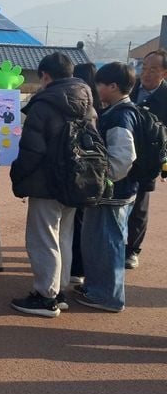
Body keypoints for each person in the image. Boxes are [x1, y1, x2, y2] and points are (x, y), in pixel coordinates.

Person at [9, 53, 96, 317]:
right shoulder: (88, 102)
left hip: (46, 183)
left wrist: (18, 176)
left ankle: (45, 297)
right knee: (64, 237)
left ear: (45, 75)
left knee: (43, 238)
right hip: (76, 181)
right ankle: (59, 291)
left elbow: (32, 150)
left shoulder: (44, 104)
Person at [76, 62, 139, 312]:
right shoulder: (123, 110)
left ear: (113, 86)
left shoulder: (120, 115)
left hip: (114, 193)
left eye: (101, 85)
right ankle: (98, 288)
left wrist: (103, 181)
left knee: (108, 243)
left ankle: (108, 296)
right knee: (102, 241)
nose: (98, 89)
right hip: (121, 191)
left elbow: (124, 155)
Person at [125, 49, 167, 269]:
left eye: (154, 70)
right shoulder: (129, 90)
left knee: (139, 206)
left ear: (164, 73)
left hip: (148, 160)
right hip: (123, 155)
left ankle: (132, 249)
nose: (147, 74)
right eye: (144, 68)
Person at [70, 62, 101, 285]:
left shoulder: (78, 103)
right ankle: (80, 268)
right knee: (83, 221)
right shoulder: (97, 104)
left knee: (73, 222)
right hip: (93, 170)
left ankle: (75, 268)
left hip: (77, 167)